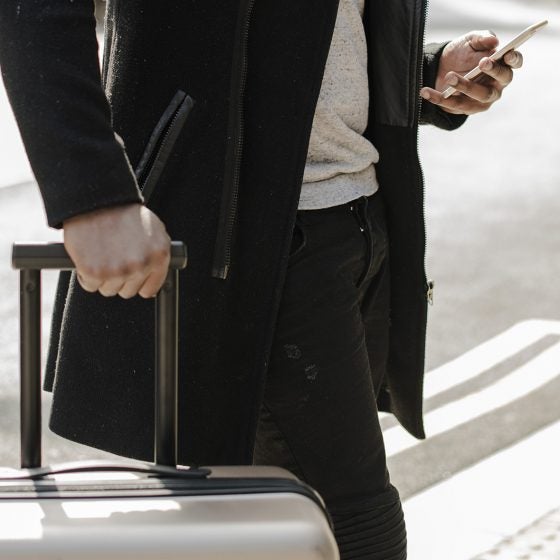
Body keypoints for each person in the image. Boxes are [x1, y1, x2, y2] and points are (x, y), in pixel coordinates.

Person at [0, 1, 522, 557]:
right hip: (251, 233)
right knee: (352, 529)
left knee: (259, 525)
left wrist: (425, 71)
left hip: (356, 213)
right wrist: (93, 193)